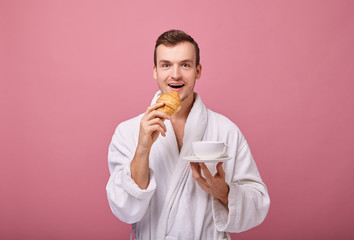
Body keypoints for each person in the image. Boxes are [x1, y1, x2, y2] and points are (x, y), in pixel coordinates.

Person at [106, 29, 270, 240]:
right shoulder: (127, 131)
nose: (175, 74)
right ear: (155, 71)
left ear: (198, 71)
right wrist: (143, 149)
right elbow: (124, 209)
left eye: (185, 65)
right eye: (166, 65)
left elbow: (259, 205)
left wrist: (224, 192)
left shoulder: (226, 129)